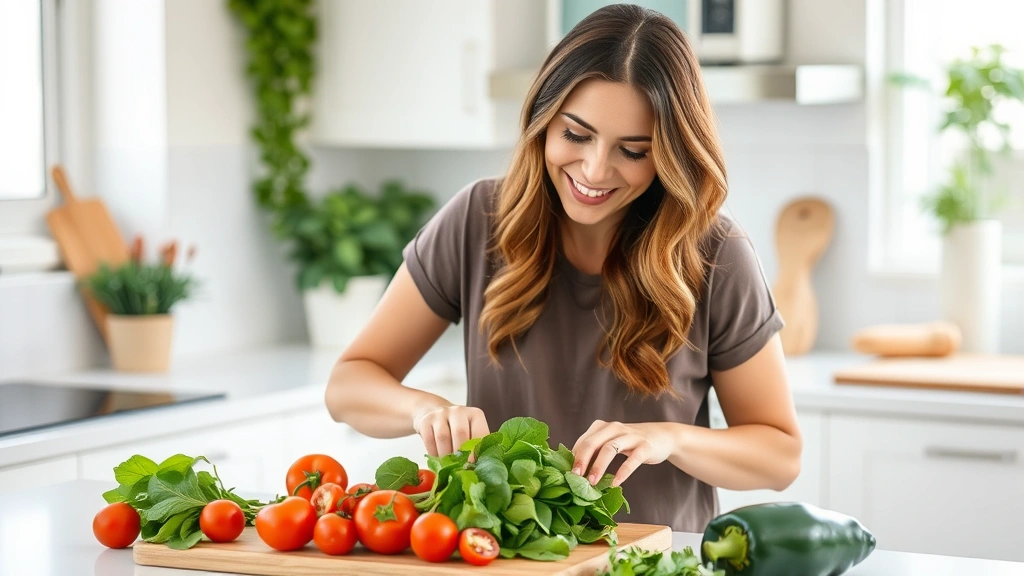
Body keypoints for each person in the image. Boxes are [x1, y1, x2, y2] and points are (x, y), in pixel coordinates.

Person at [325, 4, 801, 532]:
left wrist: (670, 439)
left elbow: (779, 456)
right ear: (542, 121)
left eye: (633, 151)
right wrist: (422, 410)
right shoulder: (477, 220)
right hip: (504, 560)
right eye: (576, 135)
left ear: (670, 154)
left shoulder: (716, 252)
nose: (595, 170)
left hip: (650, 564)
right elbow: (348, 385)